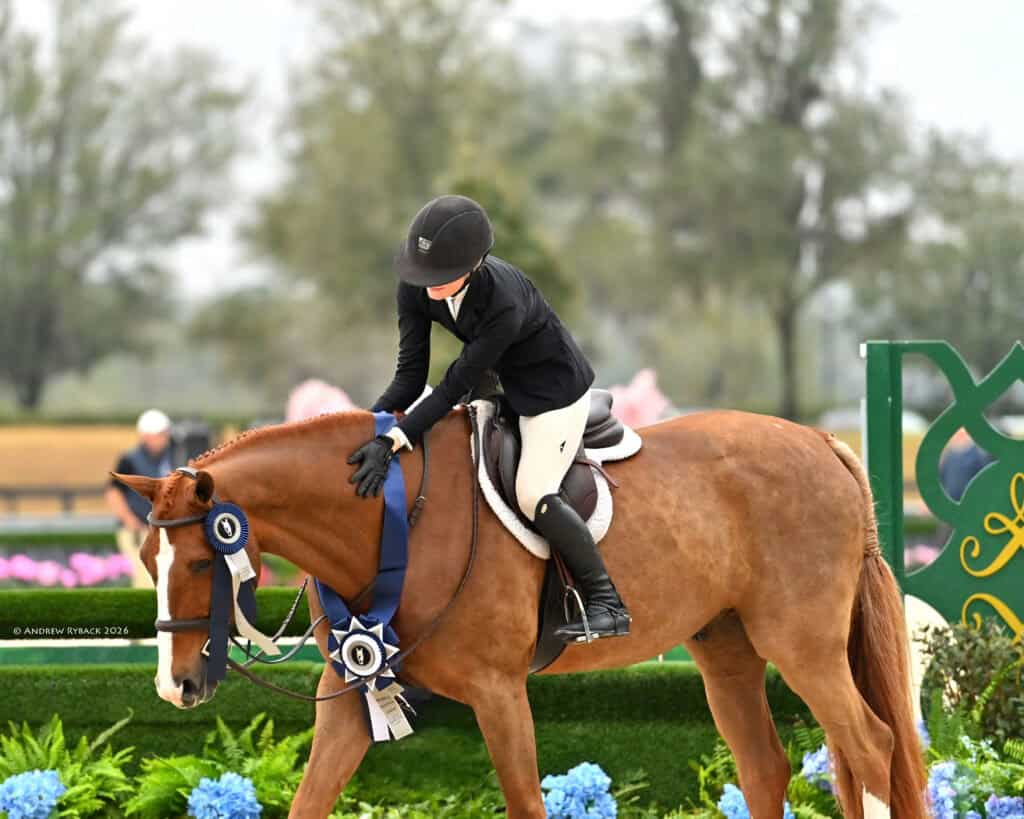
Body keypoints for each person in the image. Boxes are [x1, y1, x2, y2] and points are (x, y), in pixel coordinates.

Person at [347, 194, 631, 642]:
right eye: (424, 276)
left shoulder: (503, 300)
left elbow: (454, 384)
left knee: (531, 492)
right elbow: (409, 377)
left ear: (477, 263)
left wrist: (397, 439)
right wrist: (367, 427)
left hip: (551, 396)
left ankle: (607, 602)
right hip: (502, 391)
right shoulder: (417, 286)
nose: (429, 287)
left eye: (441, 277)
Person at [105, 409, 173, 588]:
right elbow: (114, 493)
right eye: (159, 435)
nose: (163, 439)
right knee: (146, 581)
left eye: (164, 434)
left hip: (167, 531)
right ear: (145, 436)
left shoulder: (173, 457)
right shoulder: (129, 460)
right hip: (139, 531)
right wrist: (130, 520)